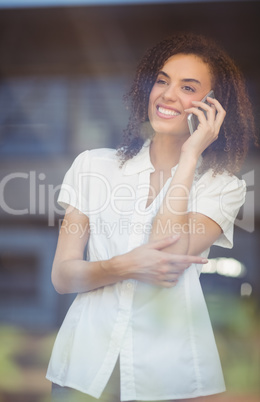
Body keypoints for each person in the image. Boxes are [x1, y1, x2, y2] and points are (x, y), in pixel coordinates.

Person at [46, 33, 256, 402]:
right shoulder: (93, 165)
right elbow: (63, 276)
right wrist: (126, 265)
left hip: (167, 376)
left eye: (188, 87)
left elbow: (169, 250)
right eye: (162, 81)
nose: (168, 95)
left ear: (213, 108)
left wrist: (190, 156)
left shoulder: (223, 186)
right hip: (81, 368)